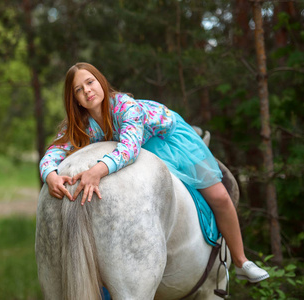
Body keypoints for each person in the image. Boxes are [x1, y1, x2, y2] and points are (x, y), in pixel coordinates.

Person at [39, 62, 269, 283]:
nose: (87, 90)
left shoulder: (123, 105)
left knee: (218, 195)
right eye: (79, 90)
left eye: (90, 82)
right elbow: (53, 152)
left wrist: (97, 171)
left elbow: (129, 148)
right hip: (139, 151)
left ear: (101, 82)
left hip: (168, 141)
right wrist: (50, 175)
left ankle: (241, 261)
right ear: (75, 100)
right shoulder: (81, 125)